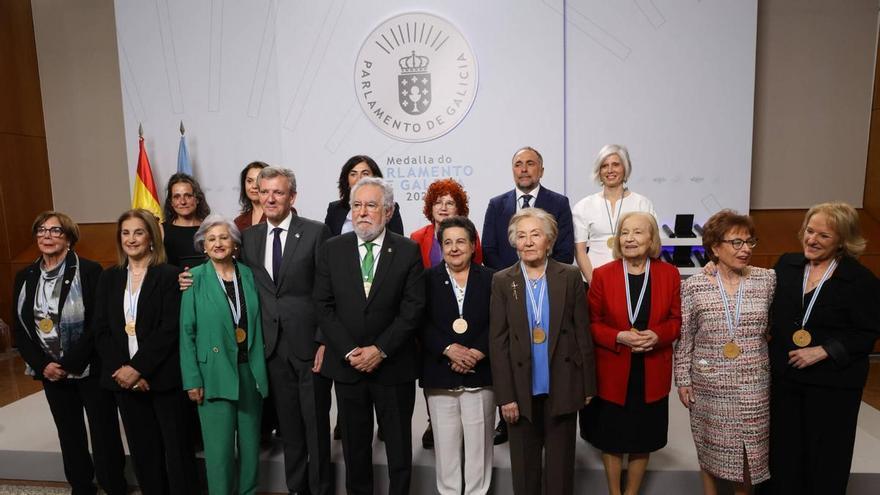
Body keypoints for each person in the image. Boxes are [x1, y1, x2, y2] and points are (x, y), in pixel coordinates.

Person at [314, 177, 425, 495]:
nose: (362, 212)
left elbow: (412, 310)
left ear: (388, 212)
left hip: (393, 368)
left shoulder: (407, 250)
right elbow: (323, 306)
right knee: (355, 450)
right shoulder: (332, 249)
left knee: (399, 453)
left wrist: (380, 349)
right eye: (357, 205)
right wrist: (350, 351)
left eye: (371, 205)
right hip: (348, 369)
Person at [765, 202, 880, 494]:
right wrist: (716, 263)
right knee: (783, 457)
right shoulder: (786, 265)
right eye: (809, 231)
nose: (811, 240)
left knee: (826, 460)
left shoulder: (861, 280)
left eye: (823, 236)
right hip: (786, 381)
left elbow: (868, 332)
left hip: (833, 386)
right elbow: (751, 286)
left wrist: (824, 350)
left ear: (843, 240)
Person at [12, 211, 128, 495]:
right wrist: (43, 365)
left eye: (55, 231)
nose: (47, 236)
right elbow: (20, 326)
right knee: (69, 432)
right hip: (49, 372)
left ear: (69, 239)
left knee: (103, 432)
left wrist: (68, 362)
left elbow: (98, 323)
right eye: (41, 230)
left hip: (90, 367)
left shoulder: (89, 271)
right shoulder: (25, 275)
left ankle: (113, 486)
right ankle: (81, 486)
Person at [489, 208, 596, 495]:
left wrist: (587, 384)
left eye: (535, 234)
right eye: (521, 236)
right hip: (520, 391)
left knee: (561, 472)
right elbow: (497, 343)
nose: (528, 242)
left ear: (549, 241)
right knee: (524, 472)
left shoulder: (570, 276)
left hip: (562, 384)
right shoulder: (502, 280)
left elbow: (582, 332)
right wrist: (506, 395)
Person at [94, 209, 198, 494]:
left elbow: (169, 329)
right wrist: (124, 371)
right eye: (125, 233)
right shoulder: (109, 277)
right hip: (123, 381)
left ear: (151, 237)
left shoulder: (170, 276)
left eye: (138, 232)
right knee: (143, 452)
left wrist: (138, 368)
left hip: (163, 379)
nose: (131, 239)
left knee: (177, 452)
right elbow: (101, 330)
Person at [674, 210, 775, 495]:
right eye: (736, 242)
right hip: (708, 385)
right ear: (715, 247)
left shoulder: (767, 280)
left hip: (754, 383)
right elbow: (686, 337)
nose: (745, 249)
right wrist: (683, 379)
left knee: (749, 456)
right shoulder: (694, 286)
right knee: (710, 451)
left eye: (749, 242)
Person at [482, 146, 575, 443]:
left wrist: (535, 273)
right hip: (510, 291)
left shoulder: (558, 203)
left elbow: (564, 249)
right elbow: (491, 250)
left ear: (541, 170)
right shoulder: (497, 204)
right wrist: (515, 282)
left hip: (547, 286)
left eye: (530, 164)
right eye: (518, 164)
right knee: (510, 352)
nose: (524, 169)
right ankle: (507, 418)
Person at [583, 211, 681, 495]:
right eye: (625, 232)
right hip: (612, 371)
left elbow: (676, 321)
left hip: (651, 370)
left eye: (638, 232)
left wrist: (658, 335)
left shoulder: (669, 274)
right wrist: (618, 336)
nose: (630, 238)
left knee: (643, 438)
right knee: (611, 438)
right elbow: (591, 323)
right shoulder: (603, 275)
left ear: (651, 238)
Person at [179, 215, 269, 495]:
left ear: (235, 243)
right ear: (203, 246)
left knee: (251, 447)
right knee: (218, 453)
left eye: (224, 237)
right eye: (211, 239)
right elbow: (187, 332)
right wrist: (192, 378)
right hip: (213, 373)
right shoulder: (193, 279)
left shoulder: (250, 275)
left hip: (249, 370)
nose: (218, 243)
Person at [420, 216, 494, 495]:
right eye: (447, 242)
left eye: (460, 241)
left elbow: (500, 321)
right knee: (446, 449)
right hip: (440, 373)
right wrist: (449, 349)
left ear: (473, 245)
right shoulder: (426, 279)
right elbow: (419, 322)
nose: (454, 248)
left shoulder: (492, 278)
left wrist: (477, 351)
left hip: (481, 372)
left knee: (480, 449)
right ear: (440, 247)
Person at [572, 144, 656, 284]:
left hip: (633, 280)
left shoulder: (642, 203)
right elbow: (579, 251)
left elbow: (653, 246)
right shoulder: (583, 206)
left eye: (615, 165)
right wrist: (594, 283)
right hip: (592, 281)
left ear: (625, 168)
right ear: (599, 171)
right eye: (604, 166)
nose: (610, 170)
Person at [410, 178, 484, 267]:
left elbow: (477, 268)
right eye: (438, 203)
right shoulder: (418, 237)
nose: (443, 208)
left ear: (458, 208)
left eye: (450, 203)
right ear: (431, 208)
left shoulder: (469, 233)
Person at [325, 155, 404, 236]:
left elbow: (398, 244)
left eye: (365, 173)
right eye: (353, 174)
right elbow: (327, 246)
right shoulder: (334, 209)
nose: (359, 178)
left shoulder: (387, 207)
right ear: (347, 180)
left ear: (375, 178)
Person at [162, 173, 211, 267]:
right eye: (176, 197)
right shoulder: (161, 230)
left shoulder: (210, 228)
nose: (183, 202)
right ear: (171, 202)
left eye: (188, 196)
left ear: (197, 199)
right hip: (173, 281)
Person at [233, 161, 268, 232]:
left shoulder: (282, 213)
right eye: (249, 181)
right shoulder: (238, 222)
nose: (254, 186)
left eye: (259, 181)